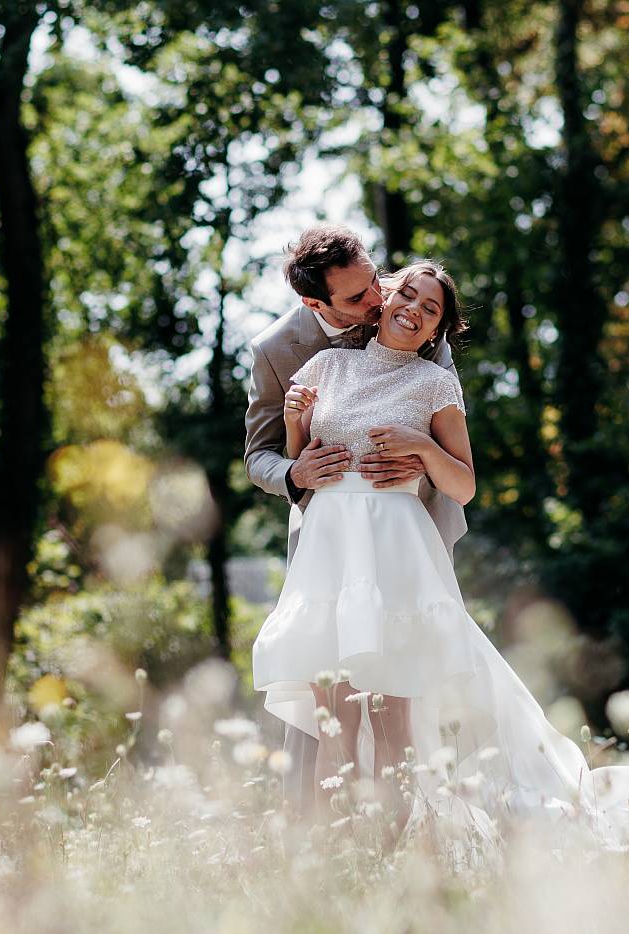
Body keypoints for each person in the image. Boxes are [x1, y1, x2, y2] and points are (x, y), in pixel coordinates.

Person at [250, 259, 629, 851]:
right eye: (406, 294)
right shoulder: (324, 364)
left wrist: (420, 447)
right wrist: (292, 428)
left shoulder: (434, 382)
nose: (412, 308)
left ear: (437, 328)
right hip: (333, 551)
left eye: (429, 307)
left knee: (389, 716)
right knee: (336, 712)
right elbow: (300, 460)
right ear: (385, 298)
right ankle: (340, 853)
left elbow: (463, 484)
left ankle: (388, 848)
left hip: (396, 550)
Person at [242, 225, 466, 822]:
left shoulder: (404, 308)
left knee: (401, 704)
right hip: (330, 545)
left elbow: (443, 432)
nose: (377, 303)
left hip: (404, 538)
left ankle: (412, 827)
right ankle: (322, 845)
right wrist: (297, 470)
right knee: (325, 720)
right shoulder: (278, 351)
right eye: (356, 298)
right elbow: (259, 456)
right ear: (316, 305)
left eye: (375, 283)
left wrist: (418, 461)